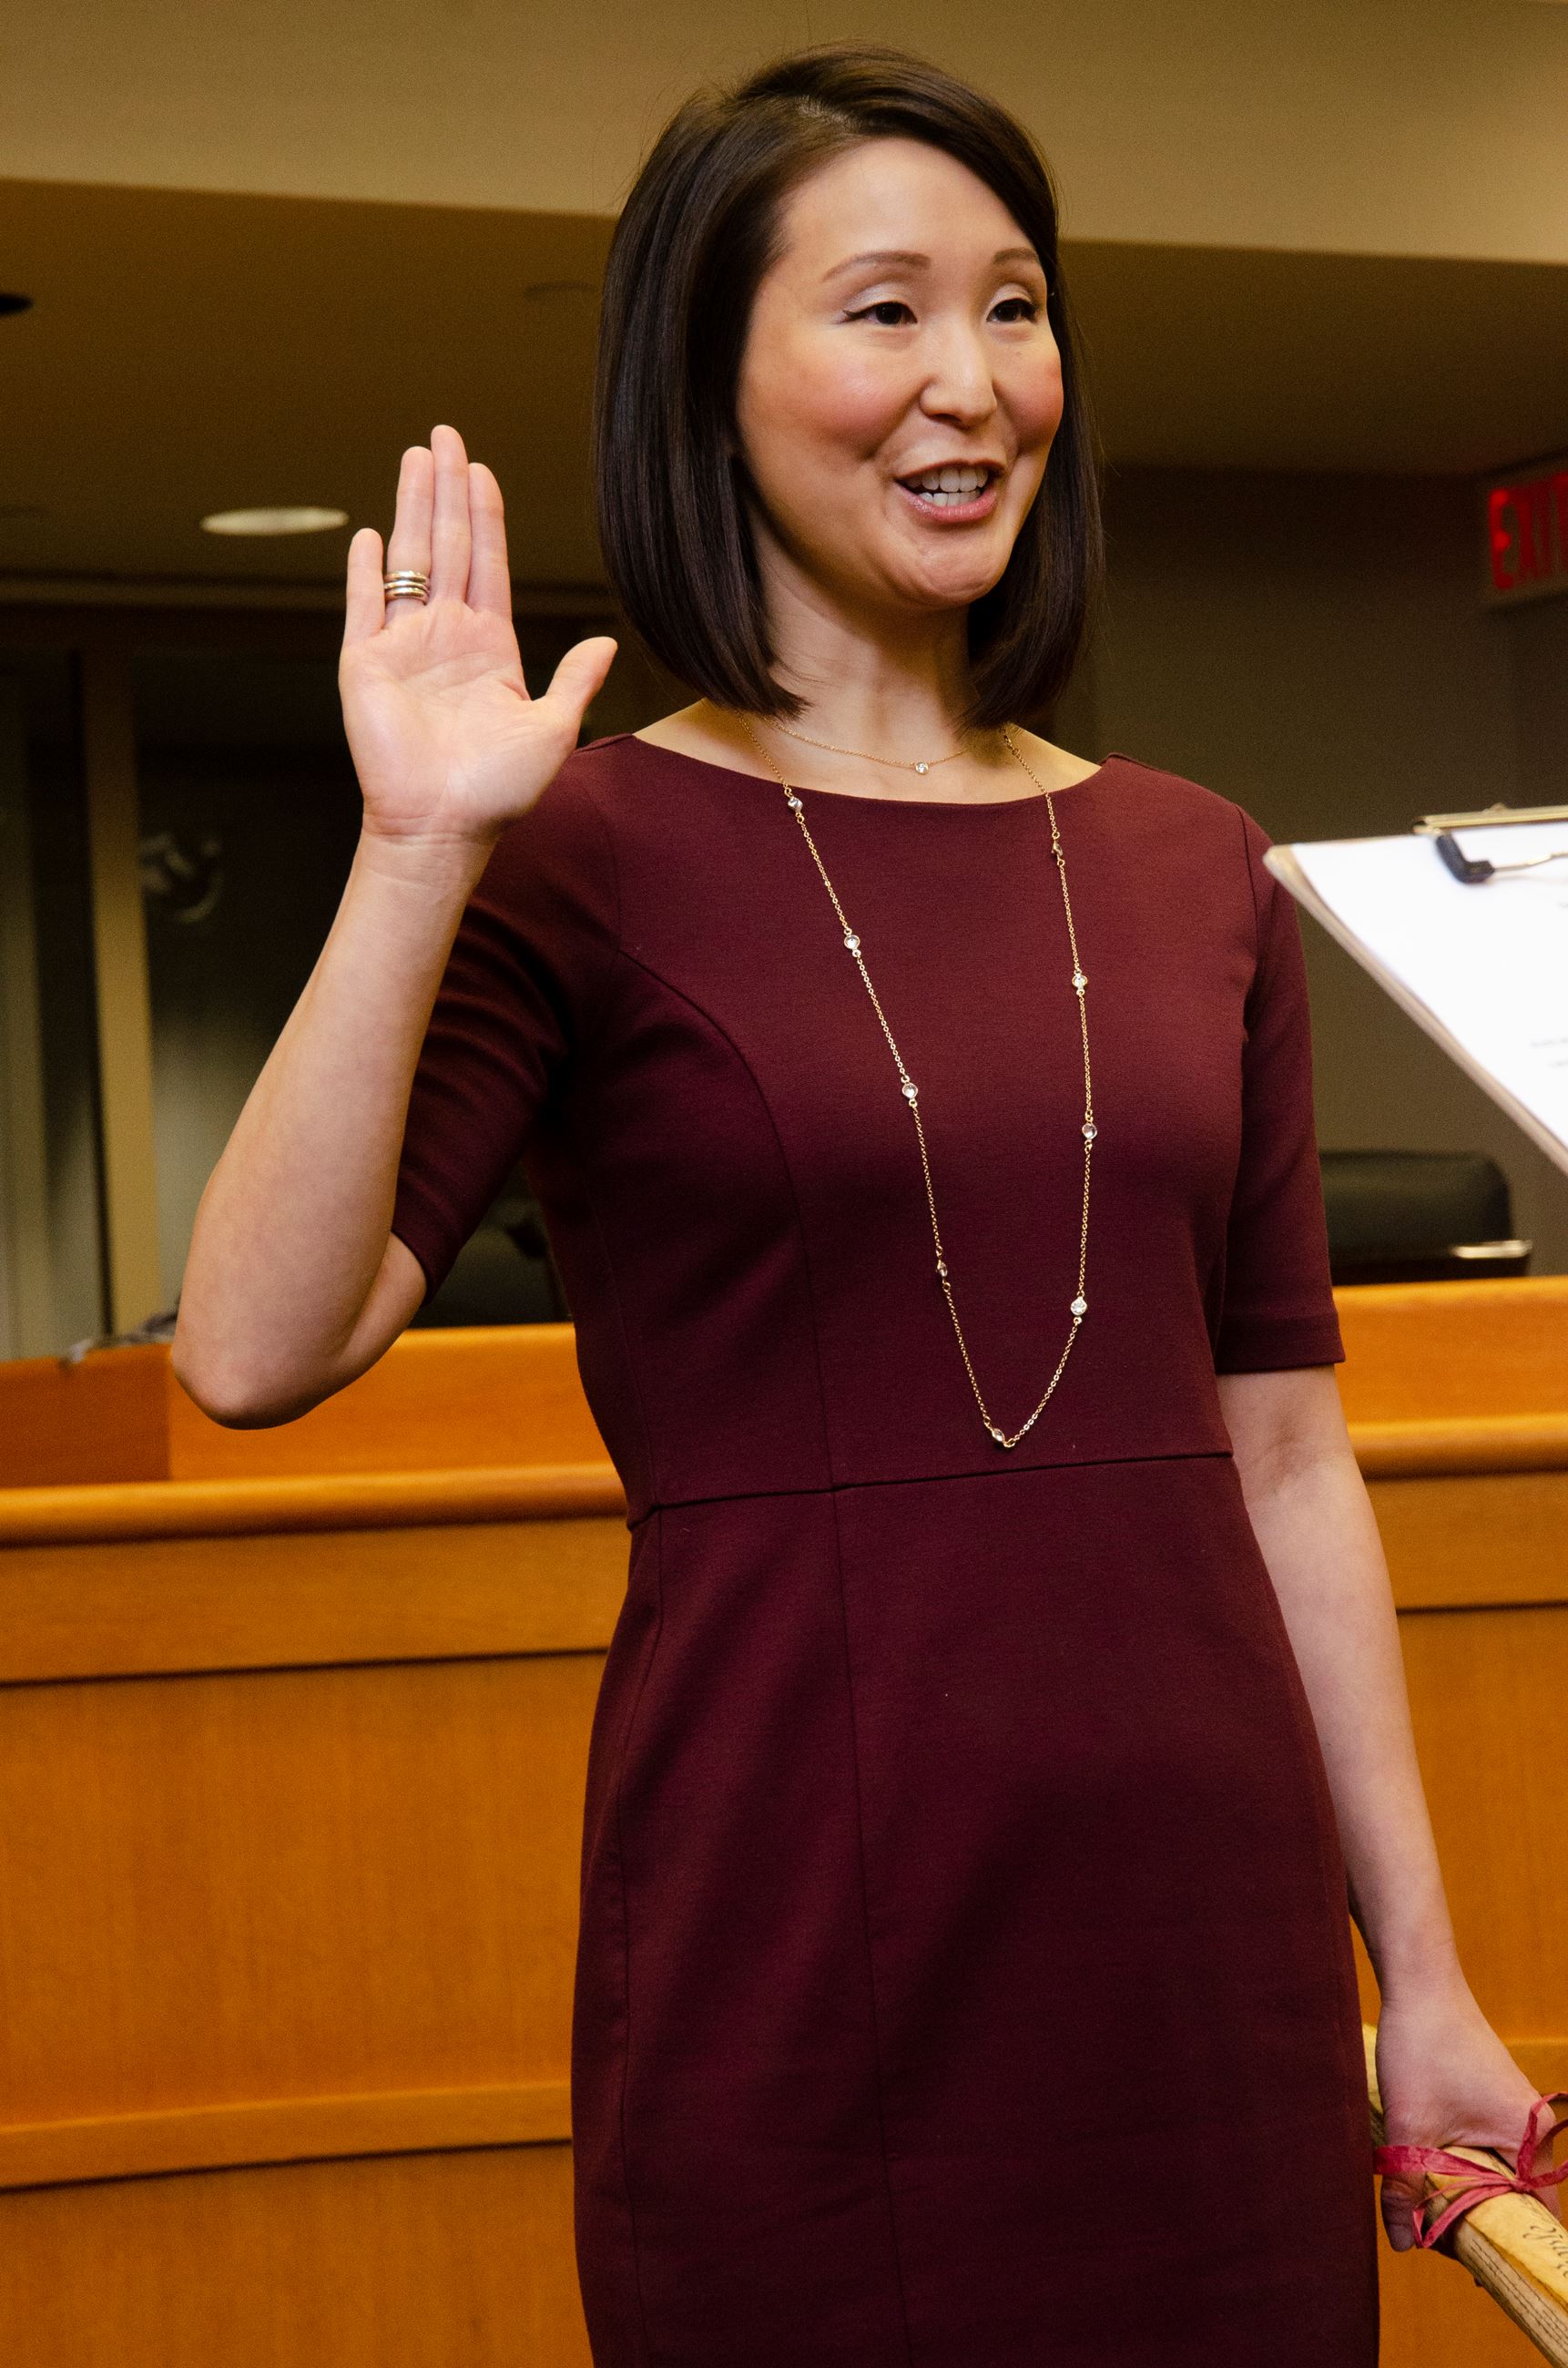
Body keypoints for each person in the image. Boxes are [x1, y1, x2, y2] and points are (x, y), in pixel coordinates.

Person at [173, 44, 1555, 2366]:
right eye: (886, 310)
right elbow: (248, 1346)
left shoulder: (1194, 860)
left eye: (1015, 309)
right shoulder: (585, 851)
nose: (975, 383)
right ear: (710, 387)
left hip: (1201, 1954)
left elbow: (1290, 1464)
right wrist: (421, 846)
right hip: (802, 1943)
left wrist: (1419, 1976)